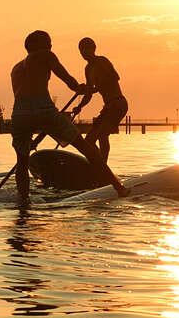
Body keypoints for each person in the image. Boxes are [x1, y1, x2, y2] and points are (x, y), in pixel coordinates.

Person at [10, 30, 125, 199]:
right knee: (86, 146)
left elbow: (25, 102)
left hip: (19, 115)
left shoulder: (15, 69)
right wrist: (79, 87)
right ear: (37, 45)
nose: (50, 45)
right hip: (44, 110)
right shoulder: (46, 55)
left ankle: (23, 203)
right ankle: (118, 188)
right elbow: (67, 79)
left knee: (22, 161)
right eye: (48, 42)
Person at [76, 37, 128, 168]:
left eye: (85, 49)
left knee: (102, 135)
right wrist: (80, 106)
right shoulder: (87, 69)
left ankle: (103, 168)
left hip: (117, 104)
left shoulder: (102, 61)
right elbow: (88, 93)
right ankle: (99, 165)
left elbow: (115, 77)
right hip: (108, 107)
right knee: (88, 141)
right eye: (81, 50)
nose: (83, 53)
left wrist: (94, 88)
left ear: (93, 49)